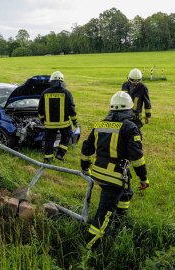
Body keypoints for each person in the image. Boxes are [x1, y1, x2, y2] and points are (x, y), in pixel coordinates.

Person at [80, 91, 149, 249]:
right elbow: (137, 158)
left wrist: (85, 168)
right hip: (114, 178)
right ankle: (88, 248)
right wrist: (144, 178)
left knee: (127, 193)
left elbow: (86, 150)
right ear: (129, 109)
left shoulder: (99, 125)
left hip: (98, 173)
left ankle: (120, 219)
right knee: (104, 214)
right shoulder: (130, 127)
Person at [38, 71, 77, 163]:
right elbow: (71, 108)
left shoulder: (45, 92)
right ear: (62, 81)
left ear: (51, 81)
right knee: (67, 136)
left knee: (49, 141)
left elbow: (40, 108)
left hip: (49, 124)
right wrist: (74, 121)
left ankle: (48, 159)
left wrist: (42, 119)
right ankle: (60, 154)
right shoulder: (67, 93)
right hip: (64, 124)